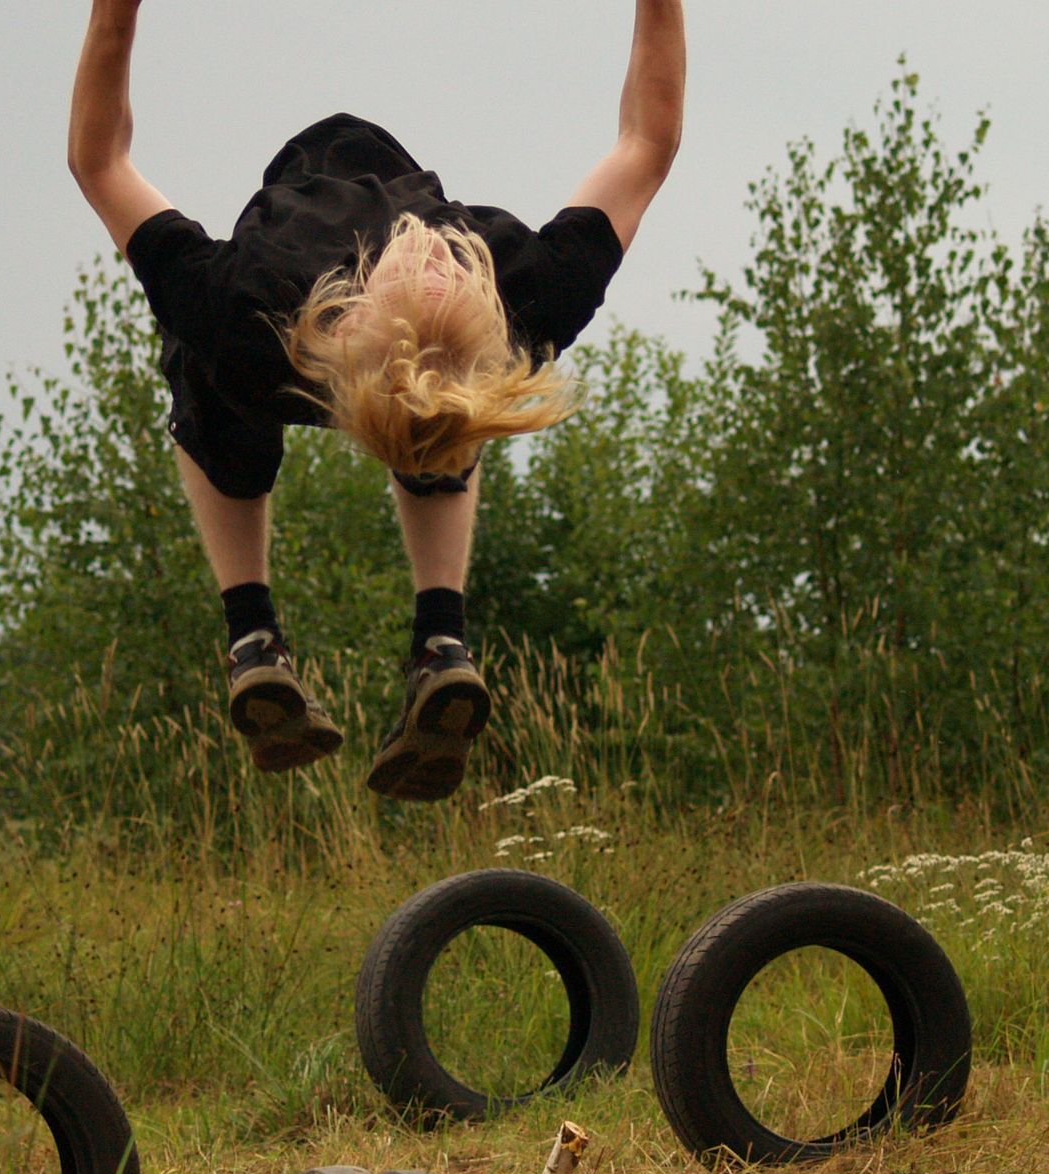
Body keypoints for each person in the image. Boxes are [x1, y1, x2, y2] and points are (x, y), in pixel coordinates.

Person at [68, 0, 685, 801]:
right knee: (458, 406)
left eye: (426, 285)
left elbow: (99, 162)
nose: (435, 259)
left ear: (359, 315)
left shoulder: (247, 305)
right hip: (342, 361)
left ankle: (253, 637)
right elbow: (649, 143)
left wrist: (115, 12)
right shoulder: (521, 296)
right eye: (447, 278)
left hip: (266, 355)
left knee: (215, 369)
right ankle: (442, 639)